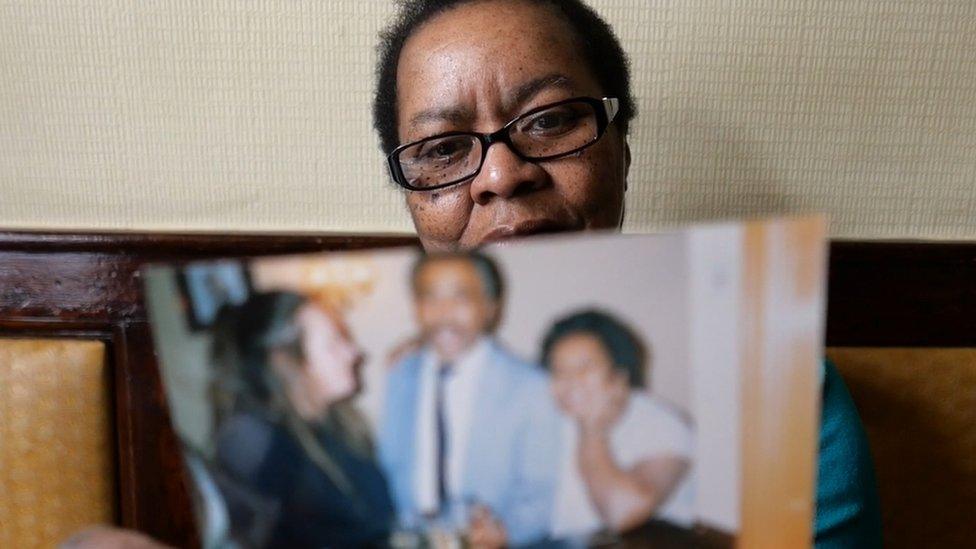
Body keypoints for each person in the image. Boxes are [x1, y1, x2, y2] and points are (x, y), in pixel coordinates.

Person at [373, 0, 881, 546]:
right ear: (411, 200)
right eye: (443, 149)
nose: (501, 175)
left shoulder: (773, 375)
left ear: (622, 153)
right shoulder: (372, 390)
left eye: (548, 120)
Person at [379, 251, 560, 547]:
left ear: (491, 308)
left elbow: (546, 494)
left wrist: (506, 532)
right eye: (429, 297)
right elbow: (390, 468)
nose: (444, 313)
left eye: (461, 297)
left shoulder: (532, 386)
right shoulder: (400, 374)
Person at [204, 291, 394, 548]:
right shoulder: (251, 441)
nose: (354, 352)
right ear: (285, 361)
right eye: (334, 342)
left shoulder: (340, 422)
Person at [540, 309, 693, 540]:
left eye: (584, 368)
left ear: (619, 375)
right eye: (559, 371)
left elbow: (622, 514)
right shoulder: (554, 421)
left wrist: (592, 431)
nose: (570, 381)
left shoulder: (663, 425)